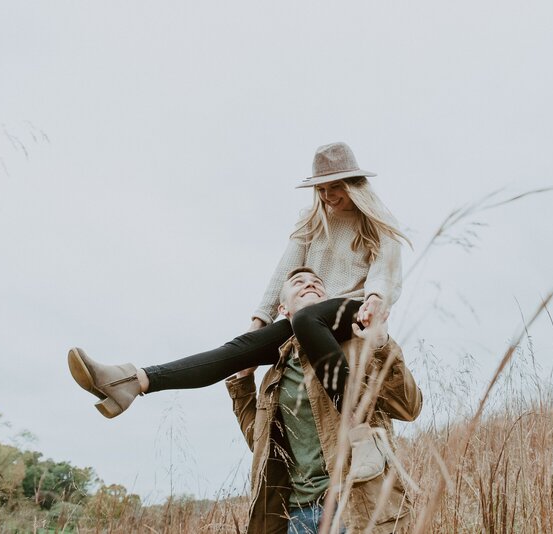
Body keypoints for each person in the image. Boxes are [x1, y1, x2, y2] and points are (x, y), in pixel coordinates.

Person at [68, 142, 411, 418]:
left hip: (351, 308)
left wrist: (376, 299)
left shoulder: (376, 223)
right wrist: (259, 320)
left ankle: (352, 414)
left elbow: (385, 266)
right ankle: (131, 381)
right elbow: (283, 271)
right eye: (321, 188)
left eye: (335, 187)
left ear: (354, 185)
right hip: (310, 317)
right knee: (238, 349)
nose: (327, 195)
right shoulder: (311, 223)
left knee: (307, 316)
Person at [227, 267, 422, 534]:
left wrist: (381, 344)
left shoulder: (357, 346)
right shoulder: (275, 375)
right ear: (283, 309)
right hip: (296, 516)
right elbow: (260, 444)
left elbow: (409, 407)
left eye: (318, 283)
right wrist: (242, 382)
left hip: (355, 507)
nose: (310, 284)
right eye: (299, 282)